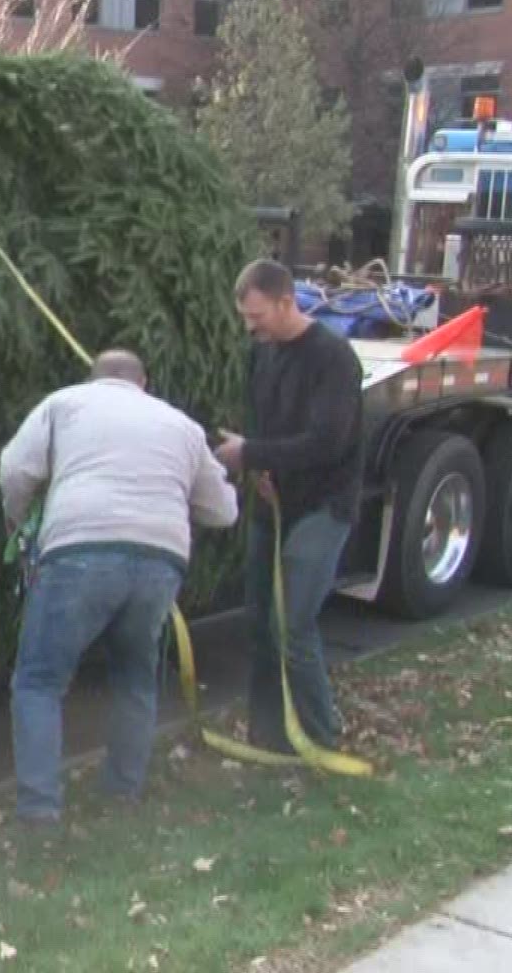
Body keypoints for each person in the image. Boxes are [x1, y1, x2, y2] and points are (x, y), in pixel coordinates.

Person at [0, 349, 239, 826]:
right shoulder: (183, 427)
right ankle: (122, 792)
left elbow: (13, 470)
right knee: (134, 675)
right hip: (160, 561)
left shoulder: (62, 404)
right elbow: (224, 512)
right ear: (143, 382)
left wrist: (18, 522)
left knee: (39, 681)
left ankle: (40, 810)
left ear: (93, 379)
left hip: (77, 552)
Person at [214, 258, 364, 756]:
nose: (250, 326)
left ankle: (321, 736)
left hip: (323, 504)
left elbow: (327, 440)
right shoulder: (263, 353)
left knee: (293, 624)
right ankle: (269, 732)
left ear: (285, 300)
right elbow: (262, 424)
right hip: (272, 501)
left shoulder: (333, 358)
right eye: (245, 317)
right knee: (259, 623)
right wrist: (257, 465)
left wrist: (252, 454)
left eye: (257, 315)